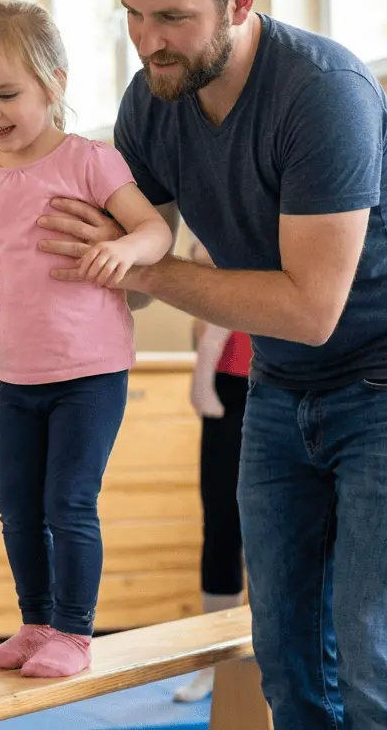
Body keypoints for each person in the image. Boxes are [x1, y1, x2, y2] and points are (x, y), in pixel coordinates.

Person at [0, 0, 387, 726]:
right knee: (286, 664)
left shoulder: (323, 93)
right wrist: (36, 278)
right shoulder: (153, 101)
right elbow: (121, 275)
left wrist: (134, 272)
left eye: (171, 18)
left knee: (376, 663)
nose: (148, 42)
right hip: (284, 388)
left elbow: (307, 307)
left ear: (240, 0)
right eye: (132, 16)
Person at [0, 1, 173, 678]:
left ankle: (75, 634)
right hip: (18, 375)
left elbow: (155, 229)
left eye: (6, 93)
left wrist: (128, 250)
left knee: (69, 501)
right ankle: (35, 622)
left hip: (90, 371)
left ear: (54, 83)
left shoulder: (89, 161)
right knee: (17, 505)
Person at [173, 238, 250, 704]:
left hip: (268, 383)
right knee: (222, 527)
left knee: (267, 534)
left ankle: (259, 661)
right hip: (229, 391)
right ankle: (217, 665)